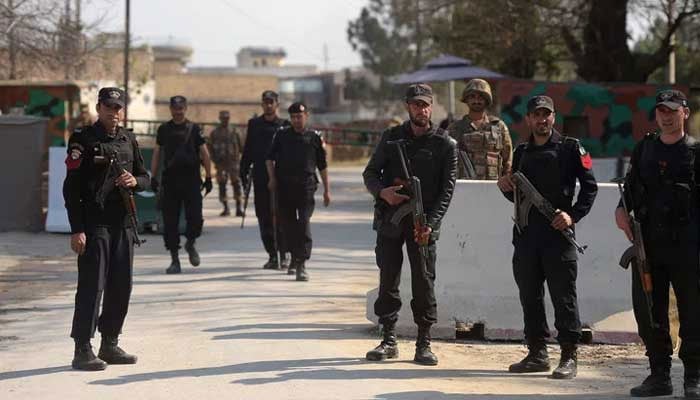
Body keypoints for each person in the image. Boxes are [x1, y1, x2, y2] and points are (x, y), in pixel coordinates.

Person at [497, 95, 597, 379]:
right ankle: (537, 353)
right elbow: (517, 197)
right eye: (536, 115)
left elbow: (590, 188)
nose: (542, 120)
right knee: (530, 296)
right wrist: (505, 186)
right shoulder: (522, 151)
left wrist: (572, 215)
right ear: (528, 119)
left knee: (564, 297)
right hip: (527, 237)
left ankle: (568, 355)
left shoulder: (570, 149)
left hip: (558, 236)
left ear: (554, 117)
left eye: (547, 114)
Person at [362, 83, 457, 366]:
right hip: (391, 222)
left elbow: (447, 190)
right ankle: (389, 339)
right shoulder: (391, 139)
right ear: (408, 106)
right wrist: (383, 192)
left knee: (423, 282)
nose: (422, 109)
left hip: (423, 224)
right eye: (416, 104)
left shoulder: (445, 144)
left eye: (426, 104)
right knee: (388, 279)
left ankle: (424, 343)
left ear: (432, 106)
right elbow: (370, 173)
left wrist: (431, 222)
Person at [615, 89, 700, 398]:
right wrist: (621, 212)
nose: (666, 116)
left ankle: (693, 376)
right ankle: (659, 375)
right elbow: (630, 192)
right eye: (661, 110)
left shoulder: (695, 152)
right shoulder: (645, 150)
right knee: (650, 311)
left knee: (693, 311)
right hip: (648, 246)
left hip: (688, 247)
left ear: (685, 114)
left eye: (672, 111)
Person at [63, 87, 149, 370]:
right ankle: (82, 348)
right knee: (92, 285)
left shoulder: (129, 140)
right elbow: (71, 188)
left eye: (119, 108)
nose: (114, 113)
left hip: (123, 223)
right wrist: (77, 229)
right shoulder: (83, 141)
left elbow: (146, 178)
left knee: (121, 285)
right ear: (99, 108)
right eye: (109, 107)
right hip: (95, 223)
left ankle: (109, 343)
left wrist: (134, 182)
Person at [266, 101, 330, 282]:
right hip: (284, 188)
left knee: (303, 223)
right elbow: (269, 159)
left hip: (306, 187)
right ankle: (294, 257)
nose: (296, 120)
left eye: (299, 117)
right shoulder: (281, 136)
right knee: (288, 226)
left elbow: (323, 166)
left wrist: (327, 190)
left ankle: (302, 263)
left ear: (306, 116)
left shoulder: (314, 137)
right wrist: (272, 178)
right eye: (293, 117)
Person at [150, 95, 213, 274]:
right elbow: (157, 153)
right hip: (170, 182)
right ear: (170, 109)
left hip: (192, 181)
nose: (178, 112)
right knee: (170, 222)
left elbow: (205, 154)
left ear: (185, 109)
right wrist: (153, 177)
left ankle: (191, 243)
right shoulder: (163, 129)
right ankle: (174, 260)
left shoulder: (194, 129)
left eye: (181, 108)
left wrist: (208, 177)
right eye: (175, 108)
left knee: (195, 218)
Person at [240, 90, 291, 270]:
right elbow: (248, 151)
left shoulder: (285, 125)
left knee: (282, 218)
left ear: (277, 104)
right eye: (265, 102)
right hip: (260, 178)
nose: (268, 105)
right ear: (262, 104)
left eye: (272, 102)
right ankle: (272, 255)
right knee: (264, 217)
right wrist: (243, 171)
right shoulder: (254, 125)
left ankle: (284, 255)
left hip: (282, 179)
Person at [448, 78, 512, 179]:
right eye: (472, 97)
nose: (476, 101)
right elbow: (447, 162)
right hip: (463, 188)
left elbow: (508, 162)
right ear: (466, 99)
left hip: (493, 188)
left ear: (487, 100)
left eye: (481, 97)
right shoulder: (454, 129)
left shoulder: (499, 127)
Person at [209, 110, 243, 217]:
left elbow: (241, 147)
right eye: (223, 118)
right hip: (221, 163)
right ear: (220, 119)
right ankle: (226, 208)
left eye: (227, 118)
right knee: (222, 185)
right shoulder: (215, 133)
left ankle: (238, 208)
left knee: (236, 184)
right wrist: (214, 160)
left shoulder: (235, 131)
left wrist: (240, 160)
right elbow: (210, 148)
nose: (225, 120)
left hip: (233, 162)